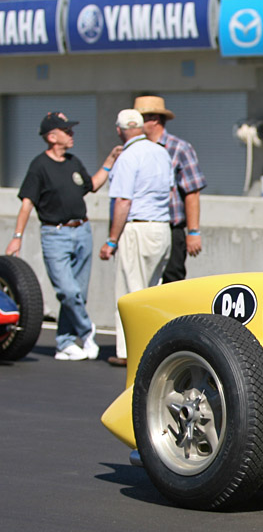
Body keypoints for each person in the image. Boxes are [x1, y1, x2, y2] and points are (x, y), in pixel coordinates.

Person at [6, 112, 121, 361]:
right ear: (52, 136)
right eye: (66, 131)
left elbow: (91, 185)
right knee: (68, 291)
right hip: (55, 234)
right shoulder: (39, 166)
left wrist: (110, 160)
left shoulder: (73, 161)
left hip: (82, 231)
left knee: (79, 292)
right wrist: (17, 236)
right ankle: (86, 329)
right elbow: (27, 204)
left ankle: (65, 343)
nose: (72, 134)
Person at [99, 109, 173, 367]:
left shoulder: (128, 156)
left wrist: (111, 239)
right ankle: (153, 347)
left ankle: (129, 351)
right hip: (161, 227)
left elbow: (123, 201)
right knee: (153, 291)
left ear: (120, 130)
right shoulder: (162, 152)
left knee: (129, 292)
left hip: (137, 228)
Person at [133, 95, 206, 283]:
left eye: (139, 119)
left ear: (154, 119)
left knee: (172, 280)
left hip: (172, 226)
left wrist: (193, 232)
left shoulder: (179, 148)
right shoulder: (135, 150)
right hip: (142, 225)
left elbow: (192, 191)